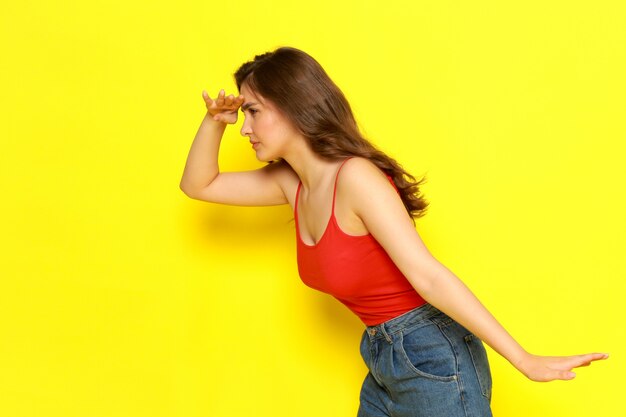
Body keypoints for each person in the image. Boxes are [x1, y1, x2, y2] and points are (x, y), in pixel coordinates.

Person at [180, 47, 608, 417]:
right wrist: (214, 121)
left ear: (292, 105)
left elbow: (428, 275)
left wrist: (523, 359)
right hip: (383, 354)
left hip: (431, 356)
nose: (245, 127)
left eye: (252, 112)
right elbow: (199, 185)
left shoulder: (356, 179)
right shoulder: (292, 184)